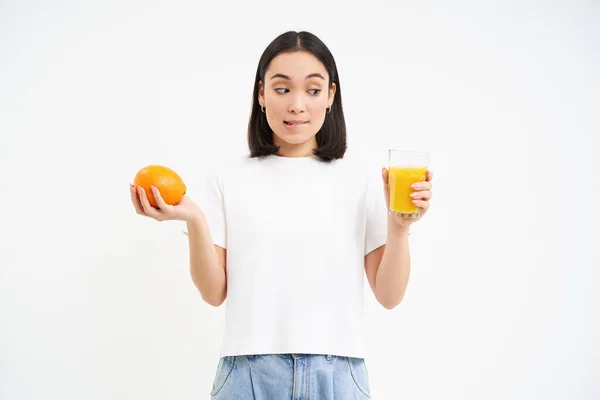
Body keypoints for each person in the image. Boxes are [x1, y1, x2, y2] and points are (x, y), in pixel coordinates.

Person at [130, 30, 433, 400]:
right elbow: (213, 292)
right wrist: (194, 220)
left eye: (313, 89)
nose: (297, 105)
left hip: (337, 375)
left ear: (330, 97)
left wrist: (399, 228)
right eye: (282, 89)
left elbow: (389, 295)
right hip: (248, 374)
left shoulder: (360, 180)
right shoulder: (228, 177)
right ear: (261, 94)